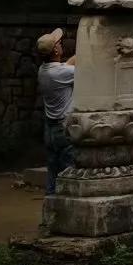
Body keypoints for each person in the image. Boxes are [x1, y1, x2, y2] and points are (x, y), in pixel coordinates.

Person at [36, 27, 75, 194]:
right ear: (56, 50)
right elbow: (77, 69)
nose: (61, 44)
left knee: (52, 171)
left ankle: (50, 211)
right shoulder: (61, 73)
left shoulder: (43, 71)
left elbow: (66, 66)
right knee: (68, 172)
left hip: (50, 128)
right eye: (59, 43)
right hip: (62, 129)